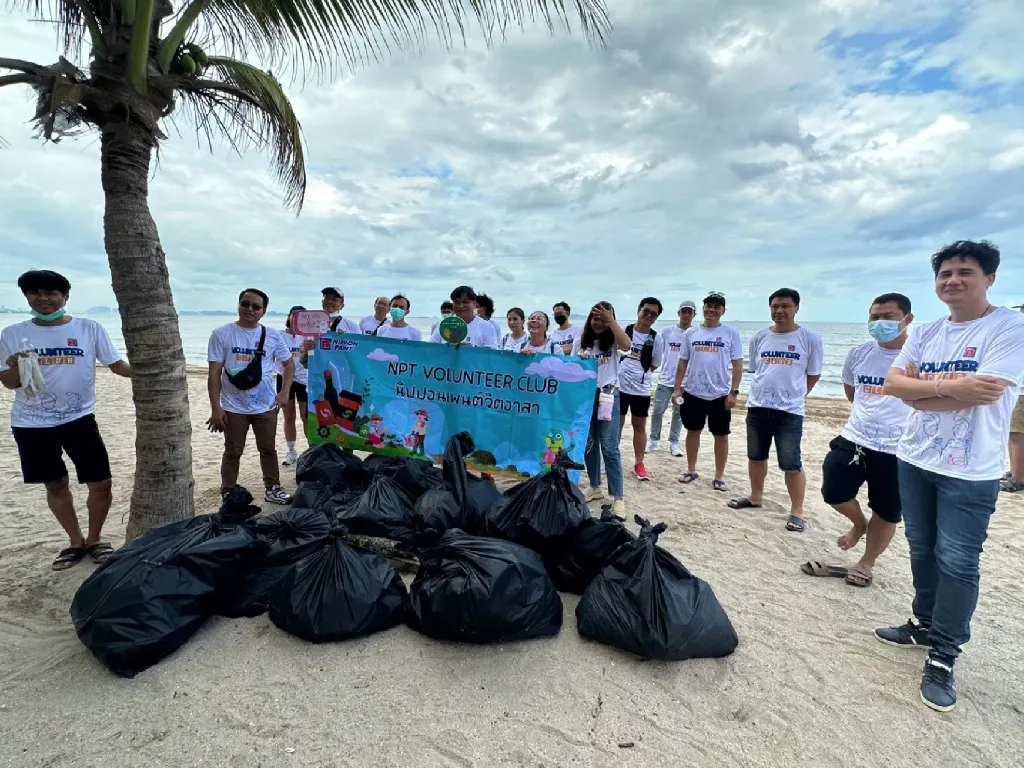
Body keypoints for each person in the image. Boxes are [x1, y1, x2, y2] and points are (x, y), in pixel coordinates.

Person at [876, 241, 1024, 713]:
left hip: (971, 469)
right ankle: (922, 624)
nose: (953, 280)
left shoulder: (1011, 326)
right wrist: (946, 387)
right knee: (921, 548)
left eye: (965, 271)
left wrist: (920, 393)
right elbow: (893, 385)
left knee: (959, 561)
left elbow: (984, 394)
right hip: (915, 458)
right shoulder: (927, 331)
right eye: (945, 273)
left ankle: (944, 654)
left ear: (990, 278)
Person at [0, 270, 131, 571]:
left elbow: (117, 365)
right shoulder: (11, 334)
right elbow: (9, 383)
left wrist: (155, 369)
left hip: (80, 418)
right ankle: (75, 541)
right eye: (35, 292)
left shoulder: (89, 328)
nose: (43, 298)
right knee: (56, 484)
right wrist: (15, 366)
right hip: (31, 423)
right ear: (26, 296)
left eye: (51, 292)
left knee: (101, 483)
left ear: (65, 297)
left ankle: (95, 539)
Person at [807, 293, 914, 588]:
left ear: (908, 319)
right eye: (874, 317)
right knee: (834, 490)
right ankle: (859, 524)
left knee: (887, 509)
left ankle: (866, 563)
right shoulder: (859, 353)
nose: (880, 323)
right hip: (856, 437)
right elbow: (853, 392)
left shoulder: (919, 356)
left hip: (899, 448)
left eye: (888, 317)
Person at [728, 288, 823, 532]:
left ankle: (797, 511)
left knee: (791, 462)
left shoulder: (809, 339)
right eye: (775, 306)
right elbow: (758, 371)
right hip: (758, 407)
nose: (780, 311)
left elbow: (813, 375)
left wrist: (796, 396)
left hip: (790, 412)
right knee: (756, 456)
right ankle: (756, 496)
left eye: (786, 306)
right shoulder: (760, 337)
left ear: (796, 308)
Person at [208, 289, 294, 505]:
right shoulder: (221, 333)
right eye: (245, 304)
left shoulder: (273, 335)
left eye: (256, 306)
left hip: (265, 405)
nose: (250, 309)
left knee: (268, 449)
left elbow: (289, 364)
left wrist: (284, 393)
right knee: (232, 451)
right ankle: (227, 491)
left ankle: (273, 488)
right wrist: (216, 408)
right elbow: (214, 373)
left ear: (263, 311)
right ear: (238, 305)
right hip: (233, 406)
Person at [672, 293, 743, 490]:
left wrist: (734, 392)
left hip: (720, 394)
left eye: (717, 307)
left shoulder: (731, 333)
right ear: (702, 308)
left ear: (723, 311)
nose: (712, 310)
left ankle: (719, 476)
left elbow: (738, 365)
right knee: (692, 432)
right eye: (708, 306)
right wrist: (677, 389)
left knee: (721, 435)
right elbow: (682, 363)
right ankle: (691, 469)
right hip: (693, 392)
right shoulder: (691, 334)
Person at [572, 302, 632, 514]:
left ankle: (618, 497)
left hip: (608, 395)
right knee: (589, 444)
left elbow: (627, 345)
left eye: (603, 318)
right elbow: (571, 369)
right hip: (586, 397)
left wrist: (611, 322)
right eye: (595, 318)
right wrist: (579, 361)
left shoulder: (614, 339)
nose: (598, 322)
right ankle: (595, 486)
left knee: (609, 447)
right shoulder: (581, 339)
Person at [618, 297, 666, 481]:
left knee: (639, 426)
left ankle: (639, 463)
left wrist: (640, 374)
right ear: (639, 310)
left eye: (654, 314)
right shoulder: (625, 330)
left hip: (641, 389)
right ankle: (610, 459)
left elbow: (655, 364)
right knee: (617, 424)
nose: (649, 316)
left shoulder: (656, 338)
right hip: (619, 386)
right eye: (646, 311)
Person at [648, 300, 696, 456]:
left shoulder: (695, 333)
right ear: (679, 314)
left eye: (689, 312)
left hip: (685, 382)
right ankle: (654, 440)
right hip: (665, 380)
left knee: (679, 413)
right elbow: (658, 353)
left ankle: (674, 442)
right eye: (683, 312)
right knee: (657, 411)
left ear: (694, 315)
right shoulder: (668, 332)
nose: (686, 315)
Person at [276, 305, 309, 466]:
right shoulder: (279, 336)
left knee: (306, 417)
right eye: (294, 316)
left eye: (301, 317)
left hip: (304, 380)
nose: (297, 319)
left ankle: (312, 450)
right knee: (289, 417)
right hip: (284, 378)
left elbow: (313, 359)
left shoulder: (309, 337)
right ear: (289, 317)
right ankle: (291, 451)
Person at [429, 286, 499, 348]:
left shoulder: (487, 327)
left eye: (465, 302)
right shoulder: (443, 325)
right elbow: (431, 350)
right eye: (456, 302)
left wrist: (472, 349)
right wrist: (445, 348)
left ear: (474, 303)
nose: (460, 306)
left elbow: (492, 355)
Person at [1002, 302, 1024, 493]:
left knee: (1017, 435)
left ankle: (1018, 478)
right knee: (1012, 435)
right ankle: (1014, 472)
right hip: (1016, 391)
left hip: (1022, 392)